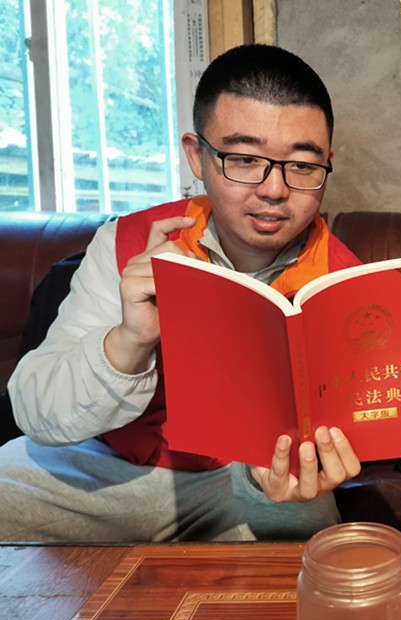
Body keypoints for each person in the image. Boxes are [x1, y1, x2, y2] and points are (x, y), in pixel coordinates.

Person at [0, 44, 363, 542]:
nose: (274, 189)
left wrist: (294, 468)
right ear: (197, 155)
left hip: (248, 481)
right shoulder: (128, 244)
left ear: (326, 165)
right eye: (243, 159)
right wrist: (129, 340)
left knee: (307, 537)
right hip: (107, 466)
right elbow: (34, 412)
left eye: (302, 165)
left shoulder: (344, 283)